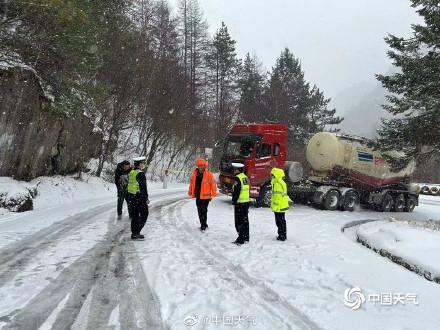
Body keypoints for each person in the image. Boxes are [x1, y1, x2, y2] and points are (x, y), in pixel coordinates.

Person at [188, 158, 217, 231]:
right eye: (199, 165)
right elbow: (192, 183)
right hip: (198, 195)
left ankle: (203, 225)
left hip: (206, 197)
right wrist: (190, 191)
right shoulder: (194, 174)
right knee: (199, 210)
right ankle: (203, 223)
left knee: (204, 211)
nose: (201, 167)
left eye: (202, 165)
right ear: (198, 166)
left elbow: (213, 184)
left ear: (205, 166)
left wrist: (213, 194)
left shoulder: (209, 174)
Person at [127, 156, 149, 240]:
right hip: (139, 197)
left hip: (132, 197)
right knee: (144, 214)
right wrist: (145, 198)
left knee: (135, 216)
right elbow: (143, 188)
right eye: (143, 163)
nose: (143, 164)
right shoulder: (140, 173)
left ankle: (134, 233)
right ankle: (136, 232)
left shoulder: (132, 172)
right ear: (139, 164)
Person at [231, 163, 250, 245]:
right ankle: (246, 237)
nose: (234, 171)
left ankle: (240, 239)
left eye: (234, 169)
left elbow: (237, 191)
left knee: (239, 222)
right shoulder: (245, 177)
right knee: (245, 221)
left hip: (240, 203)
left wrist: (234, 201)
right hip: (246, 202)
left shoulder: (237, 178)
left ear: (237, 170)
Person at [270, 167, 289, 241]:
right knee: (282, 221)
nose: (271, 176)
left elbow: (277, 197)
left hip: (279, 207)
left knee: (279, 222)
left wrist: (275, 207)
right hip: (282, 205)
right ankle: (282, 235)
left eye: (273, 175)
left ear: (276, 175)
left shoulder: (277, 184)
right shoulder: (281, 182)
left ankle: (282, 236)